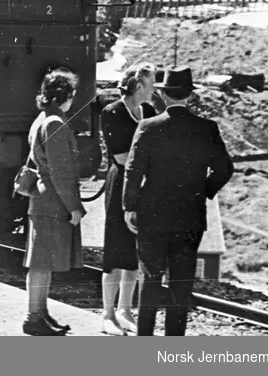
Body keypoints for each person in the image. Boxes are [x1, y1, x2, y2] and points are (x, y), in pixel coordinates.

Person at [123, 66, 234, 337]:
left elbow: (133, 170)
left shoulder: (148, 126)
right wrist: (202, 191)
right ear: (189, 96)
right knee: (180, 285)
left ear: (163, 96)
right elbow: (225, 169)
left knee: (149, 279)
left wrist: (130, 206)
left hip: (152, 214)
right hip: (189, 215)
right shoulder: (207, 128)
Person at [22, 68, 86, 336]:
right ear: (66, 96)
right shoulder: (55, 124)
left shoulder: (42, 120)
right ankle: (33, 317)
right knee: (41, 263)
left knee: (42, 261)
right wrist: (74, 206)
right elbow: (61, 172)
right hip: (53, 201)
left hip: (43, 198)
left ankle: (40, 313)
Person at [98, 64, 158, 335]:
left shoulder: (151, 112)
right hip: (121, 183)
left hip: (142, 183)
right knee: (115, 248)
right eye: (151, 83)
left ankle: (125, 309)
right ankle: (107, 314)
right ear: (138, 86)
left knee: (135, 250)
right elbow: (121, 158)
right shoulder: (112, 113)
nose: (154, 88)